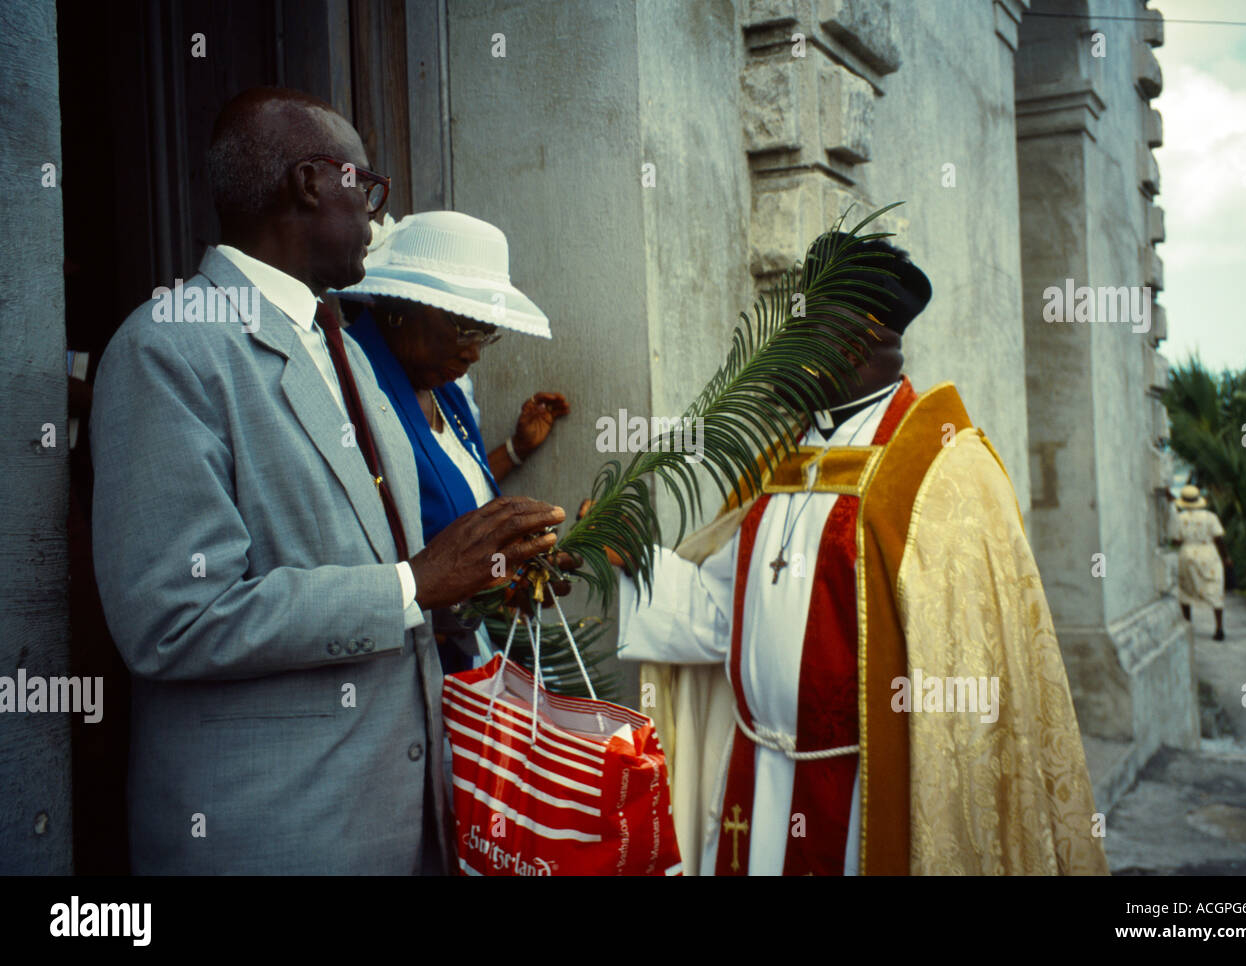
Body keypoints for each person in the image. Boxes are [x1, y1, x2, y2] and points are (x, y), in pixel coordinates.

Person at [90, 87, 569, 874]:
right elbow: (172, 619)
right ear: (312, 183)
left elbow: (391, 564)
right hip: (277, 834)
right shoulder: (167, 350)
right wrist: (414, 584)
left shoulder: (339, 339)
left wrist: (489, 574)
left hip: (407, 820)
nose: (378, 219)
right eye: (367, 190)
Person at [611, 235, 1108, 875]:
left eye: (806, 325)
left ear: (862, 336)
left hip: (865, 798)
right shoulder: (781, 458)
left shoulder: (943, 471)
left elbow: (964, 688)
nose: (785, 344)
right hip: (756, 782)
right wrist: (633, 565)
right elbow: (723, 614)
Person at [334, 211, 570, 671]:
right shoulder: (351, 389)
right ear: (401, 306)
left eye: (486, 333)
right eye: (463, 327)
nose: (474, 351)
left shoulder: (448, 390)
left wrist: (516, 572)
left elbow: (447, 491)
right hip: (400, 666)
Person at [1170, 484, 1230, 641]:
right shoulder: (1210, 517)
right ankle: (1219, 627)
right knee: (1215, 589)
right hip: (1209, 553)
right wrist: (1226, 557)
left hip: (1187, 553)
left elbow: (1176, 540)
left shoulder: (1179, 518)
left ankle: (1188, 626)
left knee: (1186, 591)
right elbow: (1219, 538)